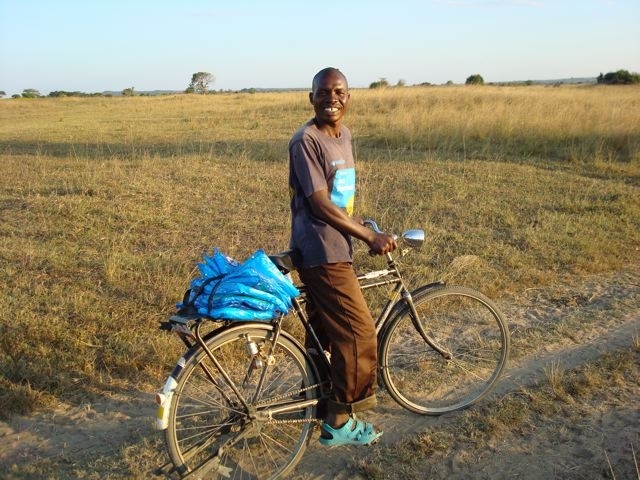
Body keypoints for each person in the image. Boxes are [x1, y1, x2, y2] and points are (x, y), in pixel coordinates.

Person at [288, 67, 397, 446]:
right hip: (322, 251)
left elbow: (337, 196)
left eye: (339, 92)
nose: (331, 99)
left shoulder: (344, 135)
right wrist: (369, 235)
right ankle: (339, 421)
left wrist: (355, 224)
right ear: (311, 98)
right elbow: (319, 204)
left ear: (348, 97)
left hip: (338, 244)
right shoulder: (306, 141)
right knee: (359, 334)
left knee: (326, 336)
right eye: (323, 92)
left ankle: (317, 402)